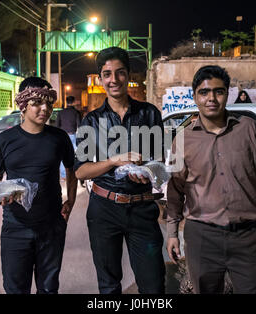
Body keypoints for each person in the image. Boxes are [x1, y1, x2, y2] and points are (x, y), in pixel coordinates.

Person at [166, 65, 256, 294]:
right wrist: (172, 233)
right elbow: (175, 190)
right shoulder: (182, 140)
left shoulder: (249, 129)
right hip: (201, 237)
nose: (211, 98)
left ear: (227, 94)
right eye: (204, 92)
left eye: (218, 91)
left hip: (247, 236)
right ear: (195, 96)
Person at [74, 47, 166, 294]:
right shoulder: (91, 121)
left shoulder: (149, 113)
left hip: (142, 209)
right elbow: (81, 171)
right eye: (107, 74)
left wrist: (146, 171)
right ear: (100, 78)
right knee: (108, 284)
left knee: (153, 284)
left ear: (128, 75)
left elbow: (159, 161)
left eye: (119, 73)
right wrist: (113, 161)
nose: (113, 80)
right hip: (104, 210)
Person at [0, 76, 77, 294]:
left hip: (51, 227)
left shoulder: (59, 137)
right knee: (15, 289)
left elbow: (72, 171)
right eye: (37, 103)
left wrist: (71, 200)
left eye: (48, 102)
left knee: (48, 288)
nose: (45, 108)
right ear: (23, 105)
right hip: (15, 227)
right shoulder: (4, 141)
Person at [55, 95, 82, 179]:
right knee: (74, 155)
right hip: (72, 135)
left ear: (66, 102)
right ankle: (73, 173)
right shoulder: (76, 112)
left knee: (63, 155)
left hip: (63, 135)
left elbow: (57, 125)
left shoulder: (61, 112)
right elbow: (80, 125)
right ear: (73, 102)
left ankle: (64, 175)